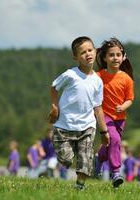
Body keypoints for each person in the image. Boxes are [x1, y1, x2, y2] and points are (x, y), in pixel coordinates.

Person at [48, 36, 110, 190]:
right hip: (64, 125)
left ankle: (80, 186)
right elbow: (54, 87)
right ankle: (69, 156)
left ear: (95, 52)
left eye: (90, 50)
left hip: (87, 127)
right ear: (75, 57)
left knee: (85, 159)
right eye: (83, 52)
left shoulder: (97, 81)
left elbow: (98, 107)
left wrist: (104, 131)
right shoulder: (71, 75)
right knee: (66, 159)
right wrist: (55, 107)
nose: (87, 54)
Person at [96, 37, 134, 188]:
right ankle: (116, 172)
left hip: (120, 117)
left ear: (123, 57)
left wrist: (123, 107)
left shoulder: (126, 79)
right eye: (111, 55)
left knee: (110, 143)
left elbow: (130, 98)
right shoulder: (98, 76)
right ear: (105, 58)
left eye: (118, 55)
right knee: (115, 140)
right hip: (104, 116)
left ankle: (99, 159)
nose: (115, 58)